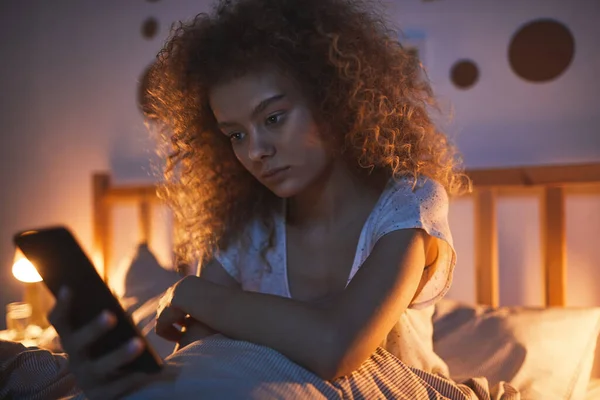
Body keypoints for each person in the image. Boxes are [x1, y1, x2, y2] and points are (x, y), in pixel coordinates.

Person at [48, 0, 472, 398]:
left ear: (334, 101)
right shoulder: (245, 227)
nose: (255, 151)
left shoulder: (408, 202)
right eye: (235, 134)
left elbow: (337, 347)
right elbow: (204, 363)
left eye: (273, 118)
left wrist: (196, 294)